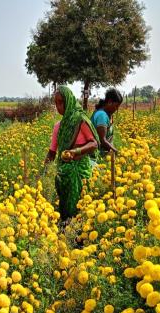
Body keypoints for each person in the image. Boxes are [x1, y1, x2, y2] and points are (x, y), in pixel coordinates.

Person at [44, 86, 99, 221]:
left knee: (80, 205)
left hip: (80, 171)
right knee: (65, 206)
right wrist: (44, 171)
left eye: (61, 102)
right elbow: (52, 152)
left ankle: (80, 235)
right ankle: (66, 232)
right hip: (64, 173)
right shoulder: (58, 126)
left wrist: (75, 151)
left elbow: (94, 143)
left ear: (69, 101)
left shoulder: (80, 120)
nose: (58, 106)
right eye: (56, 103)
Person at [91, 88, 123, 155]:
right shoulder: (102, 115)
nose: (116, 109)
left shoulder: (105, 113)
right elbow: (102, 141)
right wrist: (118, 153)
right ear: (109, 102)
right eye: (116, 106)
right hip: (98, 155)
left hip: (104, 154)